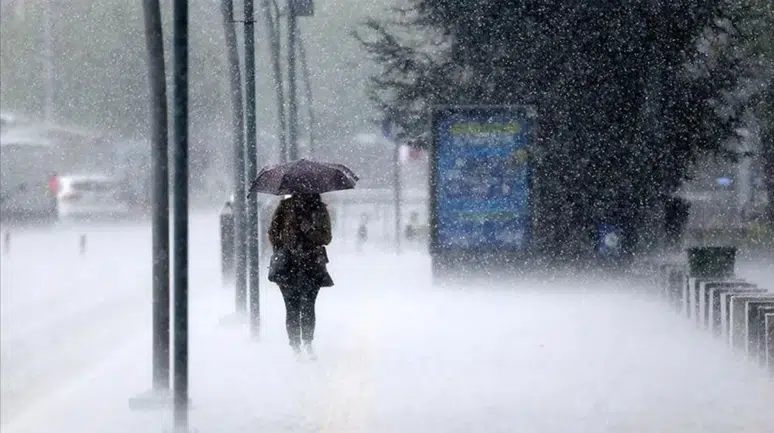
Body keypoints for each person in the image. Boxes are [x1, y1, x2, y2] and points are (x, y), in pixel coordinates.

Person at [268, 193, 333, 358]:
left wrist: (309, 231)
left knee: (308, 306)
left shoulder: (319, 209)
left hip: (311, 264)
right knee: (292, 307)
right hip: (288, 266)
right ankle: (296, 346)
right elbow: (273, 232)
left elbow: (326, 237)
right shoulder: (285, 208)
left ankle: (307, 343)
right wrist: (285, 245)